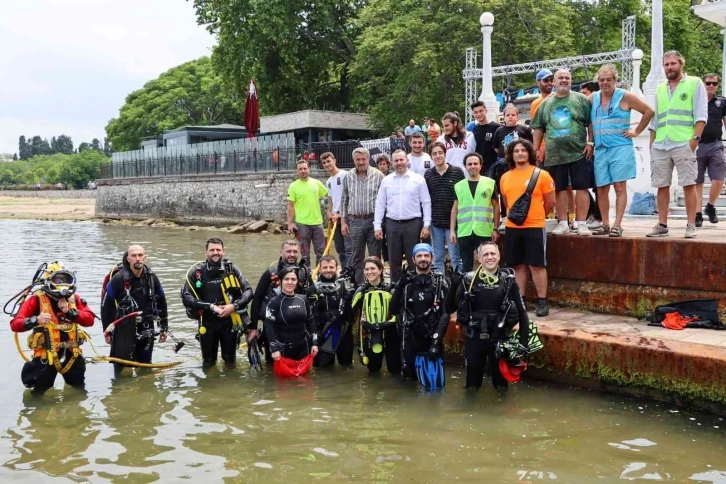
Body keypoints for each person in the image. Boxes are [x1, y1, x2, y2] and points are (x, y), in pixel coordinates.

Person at [647, 51, 708, 238]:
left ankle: (691, 225)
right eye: (666, 64)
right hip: (661, 143)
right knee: (661, 185)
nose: (669, 67)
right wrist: (652, 142)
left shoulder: (694, 83)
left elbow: (701, 115)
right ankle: (662, 224)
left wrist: (694, 140)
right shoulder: (660, 89)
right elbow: (656, 119)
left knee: (688, 184)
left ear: (681, 64)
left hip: (684, 142)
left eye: (673, 63)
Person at [453, 242, 530, 389]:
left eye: (493, 254)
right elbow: (449, 307)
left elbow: (522, 312)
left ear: (499, 256)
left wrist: (524, 343)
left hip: (500, 340)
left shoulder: (508, 281)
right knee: (472, 386)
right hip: (474, 338)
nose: (490, 257)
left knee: (501, 386)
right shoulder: (469, 280)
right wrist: (453, 287)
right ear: (479, 258)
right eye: (486, 254)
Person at [11, 262, 95, 392]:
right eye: (58, 278)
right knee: (40, 394)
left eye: (66, 279)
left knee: (78, 391)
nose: (62, 282)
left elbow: (89, 320)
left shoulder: (74, 299)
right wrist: (35, 320)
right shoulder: (36, 299)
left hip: (72, 355)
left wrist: (71, 312)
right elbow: (15, 324)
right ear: (49, 280)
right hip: (46, 357)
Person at [591, 64, 654, 237]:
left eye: (608, 80)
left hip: (620, 147)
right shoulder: (593, 98)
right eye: (601, 80)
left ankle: (617, 224)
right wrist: (589, 142)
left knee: (619, 186)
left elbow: (648, 111)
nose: (605, 83)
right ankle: (605, 223)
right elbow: (588, 122)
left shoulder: (625, 96)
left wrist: (637, 131)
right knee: (602, 188)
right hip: (601, 148)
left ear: (615, 80)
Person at [532, 68, 594, 236]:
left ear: (571, 80)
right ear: (554, 82)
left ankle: (581, 223)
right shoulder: (545, 104)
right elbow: (538, 127)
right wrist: (536, 148)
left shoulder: (581, 99)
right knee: (558, 189)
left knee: (581, 188)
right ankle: (563, 223)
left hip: (579, 152)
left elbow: (591, 122)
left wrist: (590, 142)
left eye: (567, 77)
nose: (564, 80)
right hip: (554, 155)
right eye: (561, 78)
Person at [499, 140, 556, 317]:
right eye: (516, 150)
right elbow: (507, 203)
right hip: (512, 227)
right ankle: (520, 300)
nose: (520, 153)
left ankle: (542, 301)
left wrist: (536, 214)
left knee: (537, 265)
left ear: (530, 153)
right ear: (511, 154)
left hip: (534, 226)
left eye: (523, 150)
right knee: (517, 266)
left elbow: (551, 202)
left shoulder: (542, 175)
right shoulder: (505, 177)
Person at [181, 238, 253, 367]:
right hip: (207, 322)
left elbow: (248, 291)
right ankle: (209, 386)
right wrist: (211, 307)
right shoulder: (197, 272)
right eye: (212, 250)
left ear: (223, 251)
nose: (215, 252)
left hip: (230, 322)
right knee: (208, 361)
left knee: (230, 360)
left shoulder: (232, 269)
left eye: (218, 250)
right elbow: (187, 297)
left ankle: (231, 384)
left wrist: (233, 306)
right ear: (206, 252)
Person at [390, 244, 451, 388]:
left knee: (434, 385)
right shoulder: (406, 282)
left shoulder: (440, 282)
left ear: (432, 258)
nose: (423, 259)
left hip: (431, 337)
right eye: (419, 256)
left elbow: (446, 313)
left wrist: (436, 340)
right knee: (408, 382)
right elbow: (393, 310)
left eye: (426, 255)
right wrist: (399, 286)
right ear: (413, 259)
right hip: (410, 337)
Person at [101, 245, 168, 371]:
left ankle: (145, 389)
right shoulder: (118, 279)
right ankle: (120, 390)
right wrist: (107, 330)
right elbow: (106, 306)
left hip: (146, 326)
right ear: (128, 259)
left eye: (140, 255)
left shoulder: (152, 278)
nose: (138, 258)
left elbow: (162, 303)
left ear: (145, 257)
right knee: (121, 368)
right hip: (123, 328)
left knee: (145, 366)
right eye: (134, 256)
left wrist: (164, 327)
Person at [374, 149, 432, 283]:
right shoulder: (386, 181)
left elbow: (426, 202)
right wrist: (377, 226)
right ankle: (396, 288)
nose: (399, 163)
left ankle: (415, 287)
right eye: (396, 160)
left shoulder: (418, 179)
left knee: (414, 259)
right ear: (392, 163)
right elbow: (380, 204)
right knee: (394, 260)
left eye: (401, 160)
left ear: (407, 160)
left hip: (413, 224)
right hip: (392, 224)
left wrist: (426, 225)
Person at [250, 239, 312, 360]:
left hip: (299, 330)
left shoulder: (304, 272)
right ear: (281, 252)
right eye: (288, 251)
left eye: (295, 251)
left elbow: (311, 299)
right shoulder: (271, 273)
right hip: (274, 329)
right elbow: (257, 299)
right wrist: (253, 328)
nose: (292, 254)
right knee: (272, 367)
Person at [341, 147, 384, 284]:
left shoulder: (378, 175)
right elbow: (344, 200)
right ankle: (359, 285)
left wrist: (382, 223)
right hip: (355, 221)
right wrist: (343, 222)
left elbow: (384, 200)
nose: (361, 162)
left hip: (373, 221)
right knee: (357, 257)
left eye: (363, 159)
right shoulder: (348, 176)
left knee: (375, 256)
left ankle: (377, 284)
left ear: (368, 159)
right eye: (358, 159)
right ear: (354, 160)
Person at [450, 153, 500, 272]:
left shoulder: (490, 183)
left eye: (475, 163)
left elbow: (496, 207)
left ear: (480, 166)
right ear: (465, 166)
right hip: (464, 231)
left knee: (487, 262)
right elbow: (455, 208)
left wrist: (496, 228)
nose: (472, 166)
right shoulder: (458, 186)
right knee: (466, 265)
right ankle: (468, 288)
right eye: (469, 164)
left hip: (484, 230)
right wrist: (452, 230)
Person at [351, 257, 401, 374]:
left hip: (390, 334)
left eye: (373, 268)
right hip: (370, 334)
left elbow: (398, 313)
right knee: (373, 371)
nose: (369, 272)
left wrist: (385, 324)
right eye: (366, 269)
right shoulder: (361, 291)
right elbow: (351, 313)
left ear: (380, 270)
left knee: (394, 371)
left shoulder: (391, 289)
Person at [424, 141, 465, 273]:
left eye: (440, 153)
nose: (438, 156)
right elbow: (427, 199)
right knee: (438, 258)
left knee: (455, 257)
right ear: (431, 156)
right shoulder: (428, 175)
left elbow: (460, 198)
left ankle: (458, 286)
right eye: (434, 154)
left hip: (454, 223)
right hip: (436, 222)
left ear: (445, 154)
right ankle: (438, 287)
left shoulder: (457, 172)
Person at [307, 256, 355, 367]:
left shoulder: (345, 286)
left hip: (343, 332)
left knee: (346, 367)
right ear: (319, 269)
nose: (328, 270)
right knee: (323, 370)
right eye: (325, 267)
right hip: (323, 333)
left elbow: (353, 310)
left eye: (331, 267)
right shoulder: (312, 289)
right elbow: (309, 317)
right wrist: (314, 336)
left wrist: (353, 280)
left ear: (336, 268)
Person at [264, 267, 319, 363]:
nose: (290, 282)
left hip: (303, 347)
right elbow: (269, 326)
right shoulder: (274, 302)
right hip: (283, 350)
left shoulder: (303, 299)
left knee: (305, 377)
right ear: (280, 281)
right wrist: (274, 349)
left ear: (297, 281)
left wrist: (314, 343)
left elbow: (310, 321)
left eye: (293, 279)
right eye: (286, 279)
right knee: (284, 378)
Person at [695, 73, 726, 226]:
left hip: (716, 144)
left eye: (714, 83)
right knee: (697, 182)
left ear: (717, 85)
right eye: (708, 83)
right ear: (703, 84)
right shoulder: (695, 101)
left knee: (719, 180)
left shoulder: (722, 102)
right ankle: (697, 213)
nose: (711, 86)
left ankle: (710, 207)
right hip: (698, 145)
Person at [287, 159, 328, 266]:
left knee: (321, 251)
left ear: (309, 169)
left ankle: (320, 273)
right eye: (300, 169)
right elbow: (290, 206)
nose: (303, 171)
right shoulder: (293, 186)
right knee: (305, 253)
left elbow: (330, 195)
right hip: (302, 224)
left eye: (305, 168)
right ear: (297, 171)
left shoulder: (317, 183)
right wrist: (290, 223)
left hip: (317, 223)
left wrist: (333, 211)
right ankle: (306, 274)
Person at [321, 152, 352, 268]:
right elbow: (331, 200)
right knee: (340, 248)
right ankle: (344, 270)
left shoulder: (345, 175)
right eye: (324, 163)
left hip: (346, 217)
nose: (327, 164)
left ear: (335, 160)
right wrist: (329, 212)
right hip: (334, 220)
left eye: (329, 161)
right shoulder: (329, 181)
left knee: (349, 247)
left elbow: (350, 197)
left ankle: (351, 272)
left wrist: (340, 215)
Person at [436, 112, 477, 177]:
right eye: (443, 126)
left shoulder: (470, 137)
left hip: (466, 177)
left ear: (455, 123)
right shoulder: (441, 140)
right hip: (448, 178)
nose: (444, 128)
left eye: (447, 125)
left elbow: (475, 156)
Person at [470, 101, 500, 175]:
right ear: (473, 114)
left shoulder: (496, 127)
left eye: (481, 111)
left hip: (493, 166)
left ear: (486, 111)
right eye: (476, 112)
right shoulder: (474, 129)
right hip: (478, 166)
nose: (478, 114)